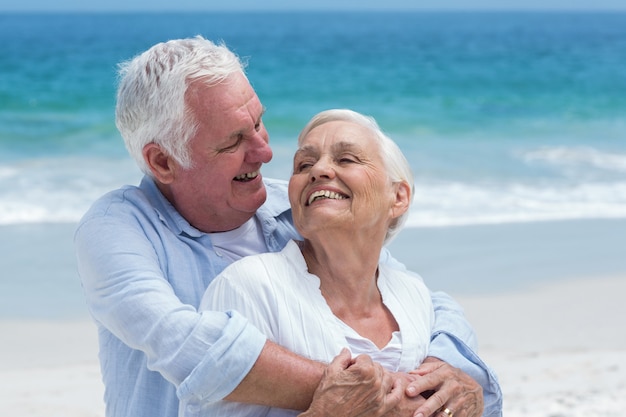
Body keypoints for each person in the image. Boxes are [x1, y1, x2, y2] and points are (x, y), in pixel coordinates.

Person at [74, 36, 502, 417]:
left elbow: (406, 291)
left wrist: (452, 370)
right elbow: (186, 344)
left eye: (257, 122)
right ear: (163, 162)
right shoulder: (118, 230)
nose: (264, 151)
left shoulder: (294, 203)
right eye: (232, 142)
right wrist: (369, 395)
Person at [182, 109, 500, 417]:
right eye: (304, 164)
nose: (318, 171)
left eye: (346, 159)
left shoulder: (414, 294)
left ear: (398, 198)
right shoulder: (250, 287)